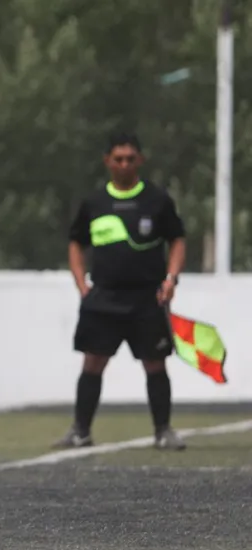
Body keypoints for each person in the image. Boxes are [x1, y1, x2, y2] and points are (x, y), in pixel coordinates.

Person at [56, 132, 186, 451]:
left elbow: (177, 239)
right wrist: (81, 284)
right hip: (103, 298)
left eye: (130, 158)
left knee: (155, 363)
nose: (124, 164)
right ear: (107, 161)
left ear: (140, 160)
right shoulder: (94, 203)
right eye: (118, 159)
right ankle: (80, 431)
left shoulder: (157, 200)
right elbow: (76, 243)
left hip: (147, 298)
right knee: (93, 362)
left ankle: (163, 431)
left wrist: (171, 280)